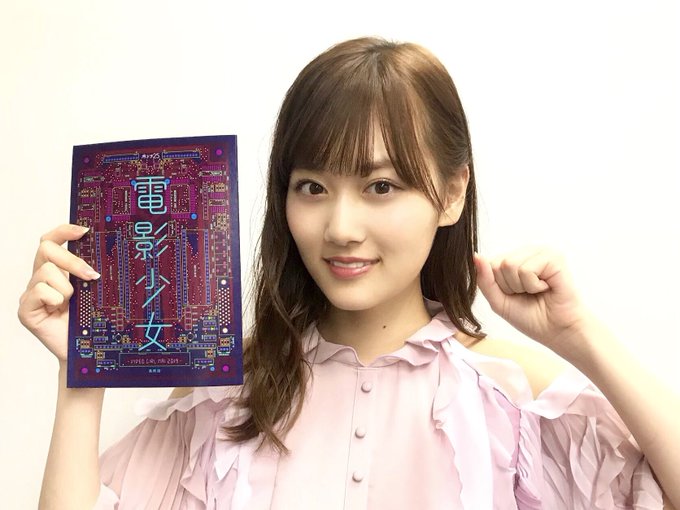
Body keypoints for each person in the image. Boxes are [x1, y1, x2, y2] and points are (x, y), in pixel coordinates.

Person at [18, 37, 678, 510]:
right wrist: (83, 371)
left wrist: (581, 336)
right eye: (312, 187)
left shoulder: (511, 394)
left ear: (452, 194)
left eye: (380, 187)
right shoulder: (227, 396)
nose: (340, 227)